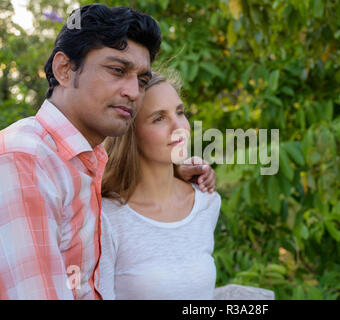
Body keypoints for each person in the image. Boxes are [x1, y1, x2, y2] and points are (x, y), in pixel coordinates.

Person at [0, 4, 215, 300]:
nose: (133, 92)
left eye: (140, 80)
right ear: (64, 69)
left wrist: (173, 170)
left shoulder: (85, 162)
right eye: (117, 70)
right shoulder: (25, 160)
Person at [98, 71, 221, 300]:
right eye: (159, 118)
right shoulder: (107, 217)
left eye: (180, 112)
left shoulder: (207, 202)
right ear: (130, 133)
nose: (179, 127)